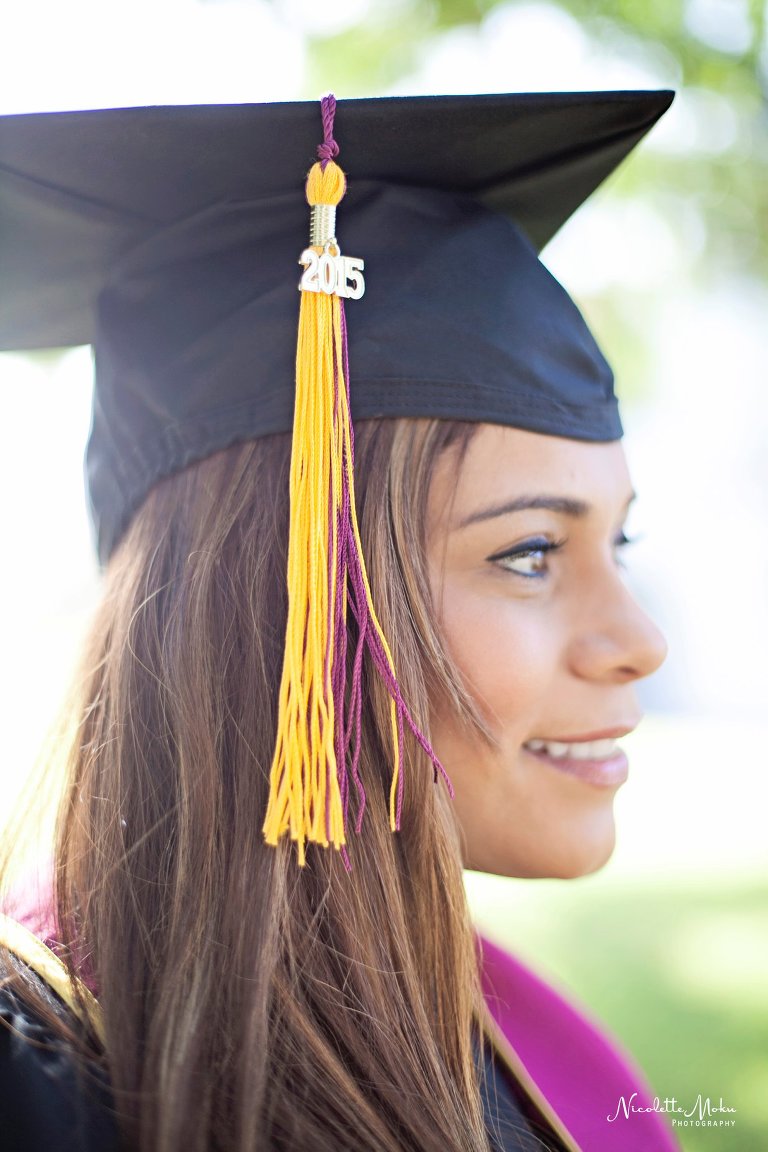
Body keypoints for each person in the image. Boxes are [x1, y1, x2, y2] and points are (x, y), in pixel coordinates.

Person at [0, 91, 680, 1151]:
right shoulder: (36, 1081)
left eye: (618, 542)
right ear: (280, 604)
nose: (641, 641)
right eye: (531, 552)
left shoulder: (551, 1063)